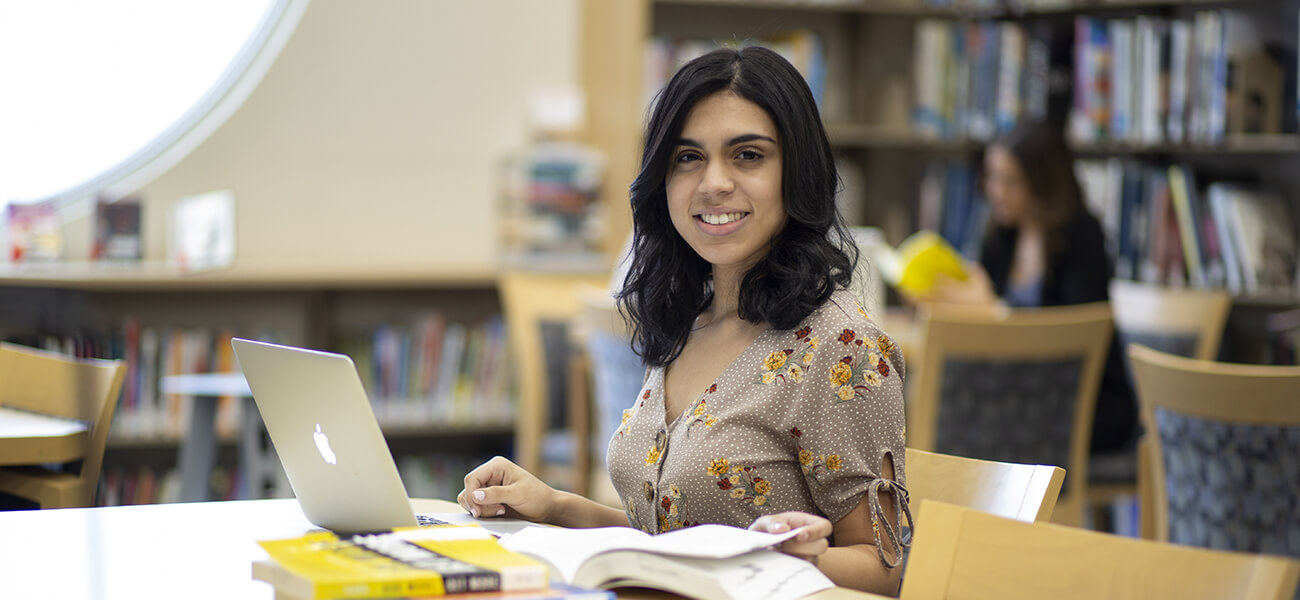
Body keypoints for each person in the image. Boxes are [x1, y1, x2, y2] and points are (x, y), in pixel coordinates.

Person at [459, 46, 911, 595]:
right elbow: (670, 541)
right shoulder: (689, 320)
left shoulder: (842, 346)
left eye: (748, 155)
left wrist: (792, 559)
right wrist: (554, 505)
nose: (713, 182)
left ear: (797, 172)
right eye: (688, 157)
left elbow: (885, 571)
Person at [918, 121, 1137, 453]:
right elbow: (984, 298)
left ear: (1043, 182)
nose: (995, 191)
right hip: (1021, 394)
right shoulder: (1003, 233)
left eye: (1011, 181)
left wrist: (996, 311)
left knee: (963, 421)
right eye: (992, 177)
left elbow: (1076, 336)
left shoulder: (1081, 236)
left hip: (1083, 404)